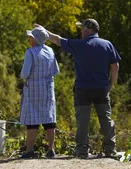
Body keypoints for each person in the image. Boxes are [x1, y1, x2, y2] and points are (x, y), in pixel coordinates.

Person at [34, 18, 121, 159]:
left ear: (88, 29)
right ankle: (110, 150)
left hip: (83, 89)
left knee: (83, 121)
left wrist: (44, 31)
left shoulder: (78, 45)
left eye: (82, 29)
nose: (81, 31)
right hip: (101, 89)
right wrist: (110, 84)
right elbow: (115, 66)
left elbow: (57, 40)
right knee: (106, 119)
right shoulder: (107, 44)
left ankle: (82, 151)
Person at [20, 27, 60, 159]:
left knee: (32, 120)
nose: (29, 39)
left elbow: (25, 74)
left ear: (36, 39)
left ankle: (29, 150)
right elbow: (55, 71)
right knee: (49, 119)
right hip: (48, 88)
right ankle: (51, 149)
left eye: (31, 37)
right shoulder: (50, 50)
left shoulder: (30, 52)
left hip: (33, 88)